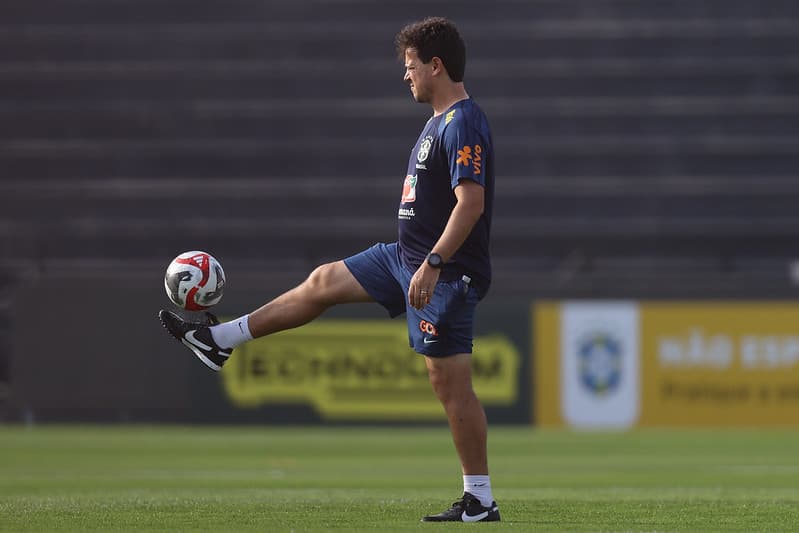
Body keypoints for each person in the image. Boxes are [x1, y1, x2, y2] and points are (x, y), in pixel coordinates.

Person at [159, 16, 499, 523]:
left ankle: (480, 499)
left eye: (410, 67)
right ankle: (220, 339)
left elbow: (470, 203)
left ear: (436, 65)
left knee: (449, 384)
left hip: (440, 271)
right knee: (322, 282)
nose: (406, 76)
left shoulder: (463, 121)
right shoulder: (436, 122)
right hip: (402, 260)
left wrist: (433, 263)